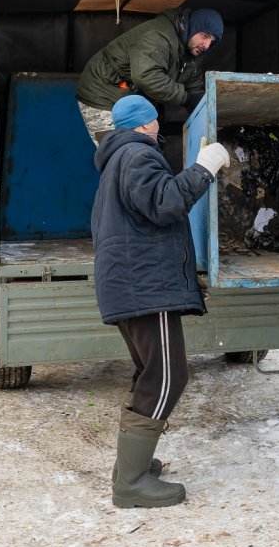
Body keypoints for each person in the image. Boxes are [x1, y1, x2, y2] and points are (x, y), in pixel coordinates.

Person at [91, 94, 231, 509]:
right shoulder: (138, 155)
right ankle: (130, 483)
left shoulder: (117, 160)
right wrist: (205, 167)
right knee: (169, 376)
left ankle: (130, 466)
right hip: (146, 288)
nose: (158, 126)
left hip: (132, 285)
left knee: (150, 373)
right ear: (144, 124)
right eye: (153, 120)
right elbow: (165, 202)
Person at [76, 7, 224, 146]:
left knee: (143, 151)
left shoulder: (191, 51)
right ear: (192, 27)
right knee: (120, 152)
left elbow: (194, 89)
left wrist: (211, 114)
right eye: (204, 36)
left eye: (212, 41)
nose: (206, 45)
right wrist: (186, 98)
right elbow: (147, 76)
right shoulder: (160, 35)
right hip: (103, 94)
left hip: (130, 99)